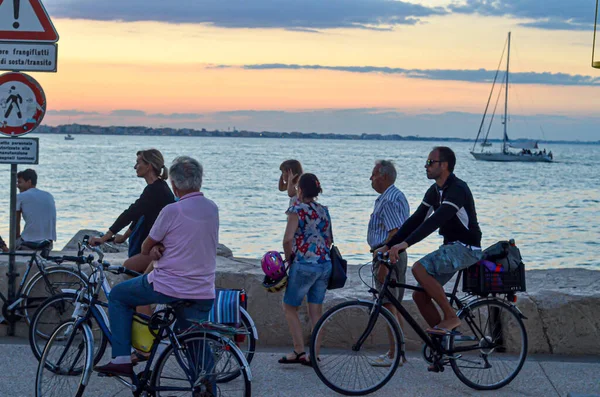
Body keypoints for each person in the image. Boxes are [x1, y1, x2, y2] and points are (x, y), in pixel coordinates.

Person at [94, 156, 218, 378]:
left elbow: (145, 247)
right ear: (199, 181)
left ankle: (121, 358)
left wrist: (155, 247)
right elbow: (188, 239)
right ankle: (207, 387)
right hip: (203, 289)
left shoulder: (172, 210)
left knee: (119, 296)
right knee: (196, 344)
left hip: (168, 286)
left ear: (174, 184)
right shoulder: (212, 209)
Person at [378, 146, 483, 336]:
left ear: (444, 165)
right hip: (451, 247)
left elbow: (436, 220)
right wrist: (390, 244)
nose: (425, 166)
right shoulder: (435, 191)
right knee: (419, 296)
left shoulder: (458, 189)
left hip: (466, 248)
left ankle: (451, 316)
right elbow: (416, 220)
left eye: (430, 162)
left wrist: (406, 244)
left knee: (419, 268)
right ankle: (446, 344)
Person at [90, 149, 174, 274]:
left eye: (138, 163)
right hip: (158, 245)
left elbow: (131, 213)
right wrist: (123, 237)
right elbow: (140, 214)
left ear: (149, 166)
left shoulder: (155, 190)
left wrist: (105, 237)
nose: (135, 167)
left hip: (162, 249)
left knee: (128, 266)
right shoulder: (157, 187)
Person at [279, 173, 332, 366]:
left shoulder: (297, 209)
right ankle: (314, 355)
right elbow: (329, 239)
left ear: (300, 190)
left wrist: (289, 259)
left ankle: (299, 350)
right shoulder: (324, 210)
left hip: (304, 264)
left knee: (289, 307)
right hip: (324, 264)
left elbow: (287, 239)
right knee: (315, 311)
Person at [367, 160, 409, 367]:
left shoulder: (389, 200)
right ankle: (397, 352)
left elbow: (394, 234)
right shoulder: (393, 196)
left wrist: (383, 262)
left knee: (389, 305)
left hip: (388, 257)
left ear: (383, 176)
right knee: (392, 305)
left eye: (373, 174)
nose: (370, 178)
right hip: (392, 255)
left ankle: (395, 355)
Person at [15, 169, 56, 250]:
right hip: (48, 243)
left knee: (12, 249)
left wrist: (17, 239)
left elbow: (15, 222)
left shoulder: (20, 197)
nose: (17, 185)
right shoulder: (49, 195)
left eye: (20, 182)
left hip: (29, 242)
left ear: (29, 182)